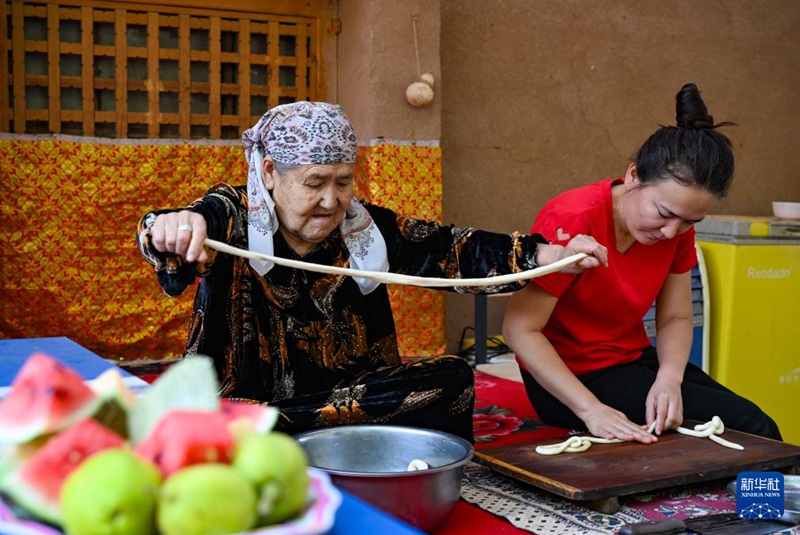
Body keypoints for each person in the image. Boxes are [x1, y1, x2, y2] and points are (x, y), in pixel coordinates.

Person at [136, 101, 607, 443]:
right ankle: (281, 432)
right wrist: (176, 227)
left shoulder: (365, 228)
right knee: (225, 418)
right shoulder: (231, 213)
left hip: (348, 396)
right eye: (314, 184)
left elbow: (450, 248)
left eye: (343, 183)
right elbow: (175, 227)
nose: (330, 201)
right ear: (269, 173)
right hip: (246, 400)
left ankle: (296, 435)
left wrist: (548, 254)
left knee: (452, 378)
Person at [503, 83, 782, 444]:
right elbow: (519, 329)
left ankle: (771, 503)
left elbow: (676, 316)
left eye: (688, 222)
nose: (671, 232)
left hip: (630, 360)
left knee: (755, 425)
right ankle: (771, 503)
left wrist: (669, 380)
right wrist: (591, 410)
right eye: (664, 213)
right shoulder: (573, 218)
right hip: (569, 379)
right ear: (633, 175)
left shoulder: (676, 229)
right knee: (755, 431)